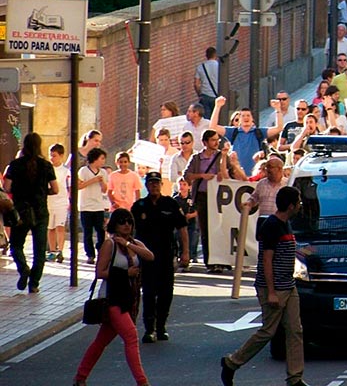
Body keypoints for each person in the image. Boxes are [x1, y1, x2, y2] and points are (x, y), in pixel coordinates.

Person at [221, 187, 310, 386]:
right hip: (274, 287)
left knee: (295, 330)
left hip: (289, 285)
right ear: (290, 205)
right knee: (268, 331)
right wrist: (271, 292)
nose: (300, 206)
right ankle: (232, 362)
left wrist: (303, 251)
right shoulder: (271, 226)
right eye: (298, 202)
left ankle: (295, 378)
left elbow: (284, 251)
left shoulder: (286, 224)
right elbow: (266, 261)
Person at [73, 208, 154, 386]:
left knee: (101, 341)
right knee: (131, 336)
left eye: (129, 221)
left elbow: (150, 256)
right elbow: (100, 272)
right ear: (114, 224)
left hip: (128, 298)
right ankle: (142, 382)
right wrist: (125, 273)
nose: (126, 225)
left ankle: (80, 377)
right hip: (112, 298)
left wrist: (127, 245)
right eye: (122, 221)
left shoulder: (133, 243)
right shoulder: (109, 244)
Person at [131, 172, 189, 343]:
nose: (154, 186)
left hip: (166, 254)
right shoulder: (139, 206)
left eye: (157, 183)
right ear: (146, 186)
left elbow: (182, 228)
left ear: (161, 185)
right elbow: (130, 231)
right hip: (145, 257)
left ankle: (161, 326)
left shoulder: (170, 204)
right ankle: (149, 329)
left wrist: (186, 252)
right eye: (151, 183)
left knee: (166, 292)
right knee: (148, 292)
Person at [3, 133, 59, 293]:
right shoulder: (46, 165)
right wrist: (42, 191)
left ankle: (23, 269)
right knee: (39, 250)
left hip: (21, 211)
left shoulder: (15, 165)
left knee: (15, 245)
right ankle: (34, 283)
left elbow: (7, 188)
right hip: (41, 210)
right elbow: (55, 189)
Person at [182, 129, 230, 272]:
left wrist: (223, 161)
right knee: (205, 229)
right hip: (202, 196)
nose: (216, 143)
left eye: (217, 140)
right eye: (213, 140)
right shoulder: (197, 158)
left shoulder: (221, 156)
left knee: (219, 228)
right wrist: (202, 175)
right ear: (205, 142)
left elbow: (226, 175)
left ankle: (220, 260)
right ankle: (210, 261)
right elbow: (187, 175)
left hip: (218, 197)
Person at [78, 147, 109, 265]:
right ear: (95, 159)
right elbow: (79, 186)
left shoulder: (104, 172)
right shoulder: (83, 171)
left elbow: (105, 190)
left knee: (100, 230)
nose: (103, 161)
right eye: (101, 158)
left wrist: (101, 182)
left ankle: (101, 251)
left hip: (98, 206)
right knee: (87, 232)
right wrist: (93, 180)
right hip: (86, 206)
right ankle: (90, 254)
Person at [47, 143, 70, 263]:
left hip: (61, 202)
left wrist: (70, 200)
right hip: (49, 202)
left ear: (61, 156)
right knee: (50, 228)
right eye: (50, 155)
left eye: (54, 156)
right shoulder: (46, 169)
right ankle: (51, 250)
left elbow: (69, 187)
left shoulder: (66, 171)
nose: (52, 158)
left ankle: (60, 250)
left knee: (60, 227)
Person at [194, 46, 219, 118]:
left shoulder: (200, 67)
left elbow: (196, 84)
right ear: (215, 55)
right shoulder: (219, 66)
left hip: (205, 96)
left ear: (206, 55)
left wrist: (199, 94)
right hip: (216, 96)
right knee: (216, 117)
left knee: (206, 119)